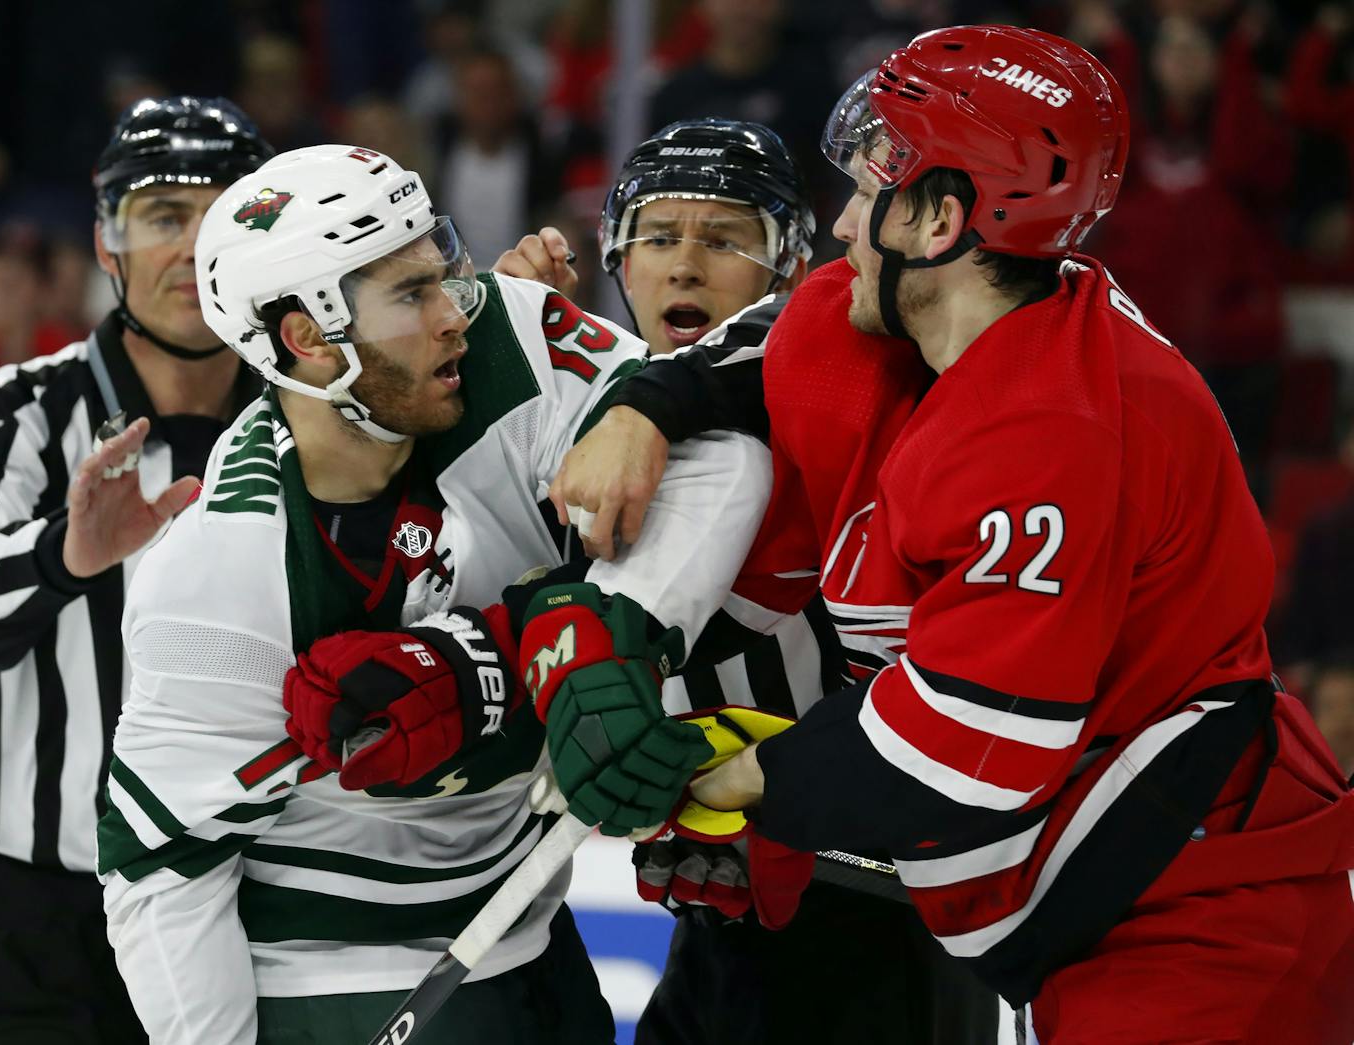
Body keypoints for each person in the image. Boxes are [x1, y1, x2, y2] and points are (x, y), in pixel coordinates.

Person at [530, 25, 1354, 1043]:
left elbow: (972, 749)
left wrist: (734, 778)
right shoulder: (906, 323)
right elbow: (763, 339)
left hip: (1200, 912)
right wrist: (645, 406)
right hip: (1078, 902)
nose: (840, 224)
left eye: (873, 184)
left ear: (939, 219)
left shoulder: (1050, 432)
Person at [98, 143, 771, 1044]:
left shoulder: (514, 343)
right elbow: (162, 865)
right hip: (338, 983)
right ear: (307, 336)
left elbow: (718, 445)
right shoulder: (219, 571)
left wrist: (623, 624)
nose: (455, 310)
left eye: (440, 266)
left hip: (530, 939)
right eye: (409, 295)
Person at [497, 117, 997, 1044]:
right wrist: (518, 360)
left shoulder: (850, 384)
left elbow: (797, 335)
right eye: (657, 236)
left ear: (792, 267)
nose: (685, 267)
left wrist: (577, 374)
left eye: (727, 239)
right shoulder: (598, 419)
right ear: (617, 258)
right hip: (727, 914)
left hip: (879, 911)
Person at [0, 96, 271, 1043]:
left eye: (226, 216)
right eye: (163, 216)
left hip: (250, 907)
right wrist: (67, 553)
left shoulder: (310, 424)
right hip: (35, 913)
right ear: (107, 242)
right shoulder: (27, 407)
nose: (192, 248)